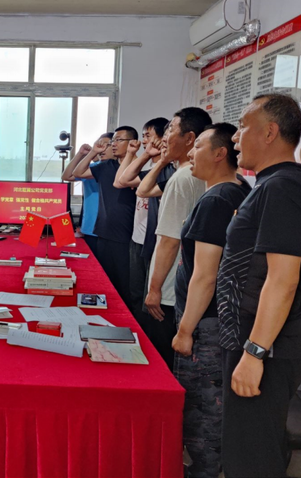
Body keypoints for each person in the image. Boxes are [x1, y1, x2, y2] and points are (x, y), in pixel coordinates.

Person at [217, 94, 301, 478]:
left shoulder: (284, 187)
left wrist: (254, 353)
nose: (235, 138)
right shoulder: (273, 185)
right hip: (252, 339)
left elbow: (282, 279)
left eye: (242, 127)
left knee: (251, 462)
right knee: (248, 451)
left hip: (264, 347)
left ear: (269, 132)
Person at [171, 123, 251, 478]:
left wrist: (185, 330)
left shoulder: (216, 201)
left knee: (202, 405)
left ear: (220, 153)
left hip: (206, 324)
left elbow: (206, 275)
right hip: (221, 318)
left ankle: (202, 471)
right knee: (211, 402)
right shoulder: (238, 189)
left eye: (199, 146)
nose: (191, 153)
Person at [137, 108, 209, 370]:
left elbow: (170, 240)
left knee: (161, 360)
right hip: (184, 283)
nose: (164, 138)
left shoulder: (181, 179)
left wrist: (154, 289)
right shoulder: (199, 175)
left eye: (170, 130)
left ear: (190, 139)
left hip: (168, 290)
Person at [72, 126, 138, 307]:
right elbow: (77, 173)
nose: (114, 144)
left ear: (132, 143)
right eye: (113, 140)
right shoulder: (106, 166)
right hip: (103, 232)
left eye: (119, 140)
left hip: (126, 235)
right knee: (103, 280)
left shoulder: (137, 168)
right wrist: (93, 152)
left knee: (123, 284)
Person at [113, 117, 170, 324]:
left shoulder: (168, 171)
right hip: (136, 239)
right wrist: (139, 154)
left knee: (150, 299)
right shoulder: (148, 169)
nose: (144, 141)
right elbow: (120, 181)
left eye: (148, 136)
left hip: (154, 243)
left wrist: (154, 157)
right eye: (143, 136)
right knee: (135, 293)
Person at [61, 133, 114, 260]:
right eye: (99, 144)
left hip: (110, 228)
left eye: (106, 145)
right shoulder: (92, 168)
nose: (102, 148)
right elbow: (66, 176)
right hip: (90, 226)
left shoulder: (117, 169)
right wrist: (81, 154)